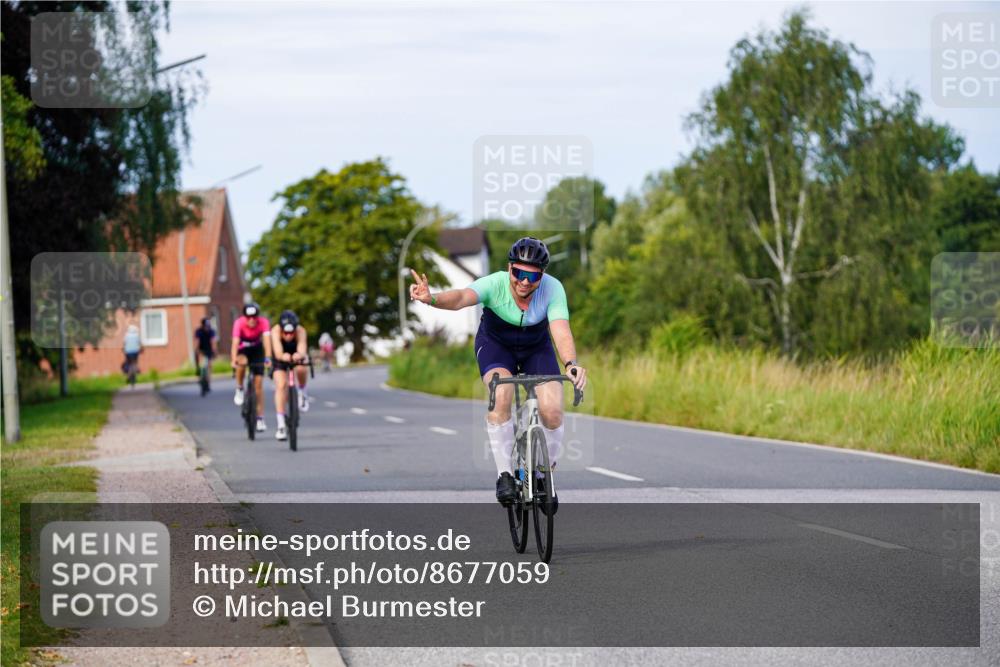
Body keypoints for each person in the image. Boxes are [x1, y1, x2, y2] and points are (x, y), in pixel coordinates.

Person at [408, 237, 588, 511]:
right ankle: (505, 474)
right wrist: (432, 298)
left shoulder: (553, 289)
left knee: (552, 410)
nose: (525, 281)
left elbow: (561, 330)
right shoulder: (494, 283)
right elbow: (460, 298)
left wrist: (570, 363)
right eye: (518, 273)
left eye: (533, 275)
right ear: (509, 269)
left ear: (543, 275)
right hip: (496, 345)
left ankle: (542, 476)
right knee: (501, 392)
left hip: (535, 347)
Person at [230, 303, 272, 432]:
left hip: (257, 349)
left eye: (254, 317)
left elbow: (266, 341)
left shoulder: (263, 322)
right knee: (241, 362)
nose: (252, 320)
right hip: (243, 348)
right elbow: (235, 343)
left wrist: (268, 358)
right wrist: (233, 359)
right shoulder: (239, 323)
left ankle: (260, 418)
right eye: (249, 317)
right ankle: (240, 387)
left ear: (257, 316)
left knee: (258, 385)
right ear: (245, 317)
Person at [270, 310, 310, 441]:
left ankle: (302, 392)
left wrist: (299, 355)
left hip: (296, 354)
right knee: (281, 385)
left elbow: (302, 348)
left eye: (291, 332)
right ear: (281, 329)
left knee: (301, 369)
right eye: (285, 333)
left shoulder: (301, 331)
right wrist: (283, 356)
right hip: (280, 356)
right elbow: (277, 351)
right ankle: (281, 424)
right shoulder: (275, 331)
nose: (288, 336)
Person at [194, 317, 218, 389]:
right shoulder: (199, 331)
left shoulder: (211, 331)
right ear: (202, 325)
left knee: (209, 365)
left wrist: (214, 350)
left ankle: (208, 381)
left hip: (209, 350)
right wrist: (197, 350)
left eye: (208, 326)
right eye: (205, 326)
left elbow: (213, 341)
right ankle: (198, 371)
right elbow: (197, 341)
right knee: (199, 361)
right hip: (201, 349)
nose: (207, 328)